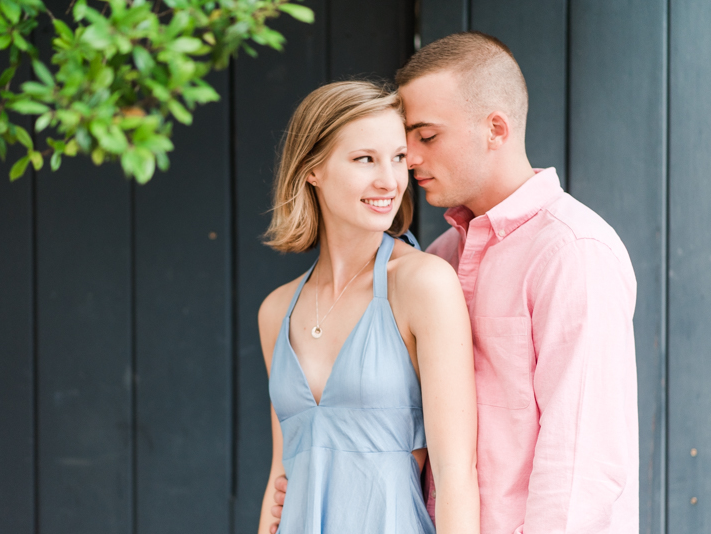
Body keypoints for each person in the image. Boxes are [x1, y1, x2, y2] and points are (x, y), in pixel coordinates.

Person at [271, 32, 639, 534]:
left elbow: (582, 465)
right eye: (406, 144)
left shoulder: (572, 252)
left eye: (425, 137)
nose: (410, 161)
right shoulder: (443, 254)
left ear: (495, 129)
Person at [256, 81, 480, 534]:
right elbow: (281, 473)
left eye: (398, 157)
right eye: (365, 159)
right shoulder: (276, 310)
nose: (390, 180)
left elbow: (457, 477)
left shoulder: (423, 284)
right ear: (312, 169)